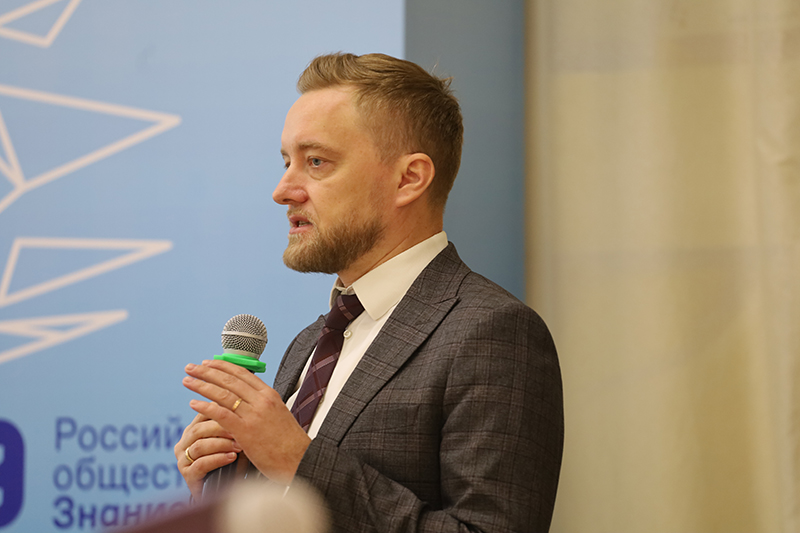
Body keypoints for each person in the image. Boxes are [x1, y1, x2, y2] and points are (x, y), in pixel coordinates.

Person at [174, 52, 564, 532]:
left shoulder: (493, 332)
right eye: (287, 162)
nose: (282, 190)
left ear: (409, 178)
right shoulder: (310, 342)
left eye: (316, 162)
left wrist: (297, 462)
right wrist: (228, 497)